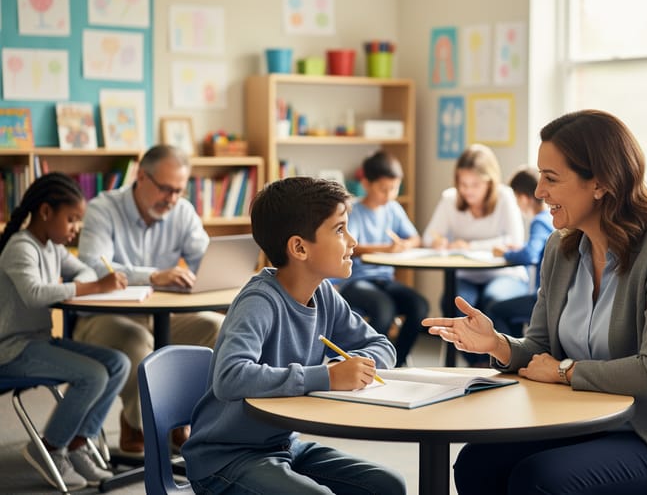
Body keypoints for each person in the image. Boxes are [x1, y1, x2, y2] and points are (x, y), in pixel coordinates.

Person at [423, 110, 647, 494]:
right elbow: (540, 349)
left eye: (551, 178)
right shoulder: (562, 248)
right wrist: (496, 344)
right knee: (477, 463)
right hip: (582, 421)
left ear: (599, 183)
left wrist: (565, 371)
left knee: (540, 480)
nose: (538, 193)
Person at [182, 176, 404, 494]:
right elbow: (230, 377)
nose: (353, 241)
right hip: (226, 458)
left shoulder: (324, 294)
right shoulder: (259, 301)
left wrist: (362, 366)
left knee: (387, 485)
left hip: (284, 445)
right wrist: (325, 377)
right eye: (340, 229)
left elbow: (381, 344)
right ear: (299, 247)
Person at [75, 144, 222, 454]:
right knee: (138, 341)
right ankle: (138, 423)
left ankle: (184, 419)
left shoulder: (182, 211)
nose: (171, 199)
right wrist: (153, 276)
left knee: (217, 328)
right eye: (166, 189)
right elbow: (92, 266)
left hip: (166, 314)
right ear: (141, 176)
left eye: (178, 191)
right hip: (104, 317)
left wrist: (220, 272)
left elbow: (205, 260)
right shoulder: (103, 208)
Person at [0, 173, 130, 489]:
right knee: (94, 375)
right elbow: (34, 292)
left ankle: (77, 443)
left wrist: (80, 283)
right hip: (13, 349)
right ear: (46, 212)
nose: (76, 228)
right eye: (71, 219)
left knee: (118, 363)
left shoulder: (52, 248)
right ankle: (50, 447)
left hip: (39, 342)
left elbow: (82, 270)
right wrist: (94, 286)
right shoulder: (21, 246)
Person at [423, 144, 528, 365]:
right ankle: (477, 364)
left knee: (494, 302)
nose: (468, 190)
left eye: (475, 185)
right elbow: (428, 238)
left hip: (505, 275)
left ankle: (508, 361)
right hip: (466, 276)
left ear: (489, 182)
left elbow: (514, 241)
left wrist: (469, 246)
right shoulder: (450, 199)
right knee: (454, 305)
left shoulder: (505, 197)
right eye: (463, 184)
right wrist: (440, 242)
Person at [339, 150, 430, 366]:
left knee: (419, 306)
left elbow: (416, 238)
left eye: (394, 188)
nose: (389, 194)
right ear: (366, 184)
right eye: (383, 189)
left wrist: (404, 245)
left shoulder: (393, 209)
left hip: (385, 281)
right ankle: (367, 362)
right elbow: (352, 246)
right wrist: (387, 249)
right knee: (384, 308)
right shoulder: (355, 211)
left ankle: (397, 361)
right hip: (357, 281)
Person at [485, 166, 552, 338]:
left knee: (494, 310)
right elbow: (536, 249)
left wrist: (505, 254)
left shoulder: (538, 221)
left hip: (540, 299)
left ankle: (510, 354)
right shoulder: (550, 219)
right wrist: (520, 248)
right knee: (506, 311)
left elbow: (530, 255)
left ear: (523, 198)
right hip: (549, 297)